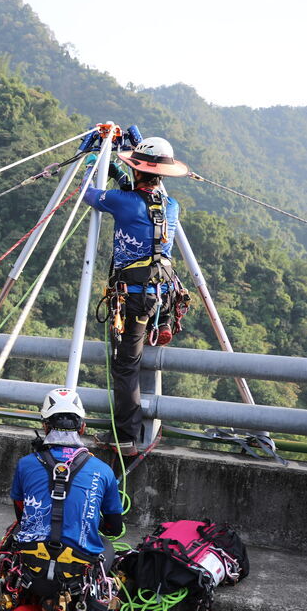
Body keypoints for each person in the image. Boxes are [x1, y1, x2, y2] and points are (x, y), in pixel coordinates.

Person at [82, 136, 189, 457]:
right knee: (133, 353)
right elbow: (141, 201)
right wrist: (119, 173)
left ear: (138, 170)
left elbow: (89, 194)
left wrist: (91, 165)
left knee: (126, 366)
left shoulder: (122, 201)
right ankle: (164, 322)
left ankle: (126, 437)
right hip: (162, 291)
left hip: (134, 298)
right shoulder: (171, 206)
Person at [10, 388, 124, 568]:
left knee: (14, 533)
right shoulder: (103, 470)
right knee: (107, 546)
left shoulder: (25, 464)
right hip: (76, 569)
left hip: (32, 565)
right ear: (82, 427)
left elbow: (21, 513)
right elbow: (115, 528)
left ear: (45, 427)